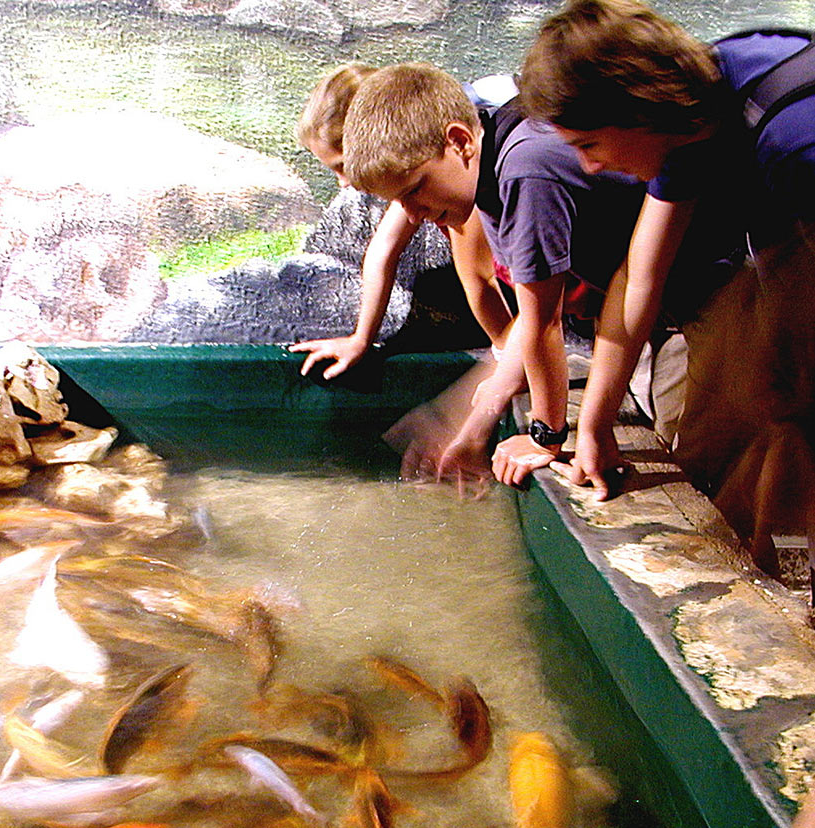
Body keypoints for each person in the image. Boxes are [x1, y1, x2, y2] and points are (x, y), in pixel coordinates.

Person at [518, 0, 815, 506]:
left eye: (589, 144)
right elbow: (640, 276)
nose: (589, 168)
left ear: (634, 109)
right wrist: (595, 425)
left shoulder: (794, 138)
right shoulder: (690, 120)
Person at [341, 61, 665, 489]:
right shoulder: (493, 166)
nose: (413, 215)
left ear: (459, 141)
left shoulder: (523, 170)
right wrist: (480, 415)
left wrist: (545, 436)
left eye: (414, 190)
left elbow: (544, 322)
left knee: (704, 446)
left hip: (706, 289)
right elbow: (530, 319)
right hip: (648, 301)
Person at [290, 64, 516, 396]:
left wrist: (508, 369)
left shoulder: (456, 178)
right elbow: (382, 252)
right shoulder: (411, 178)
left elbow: (480, 281)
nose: (343, 182)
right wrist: (361, 339)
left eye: (343, 166)